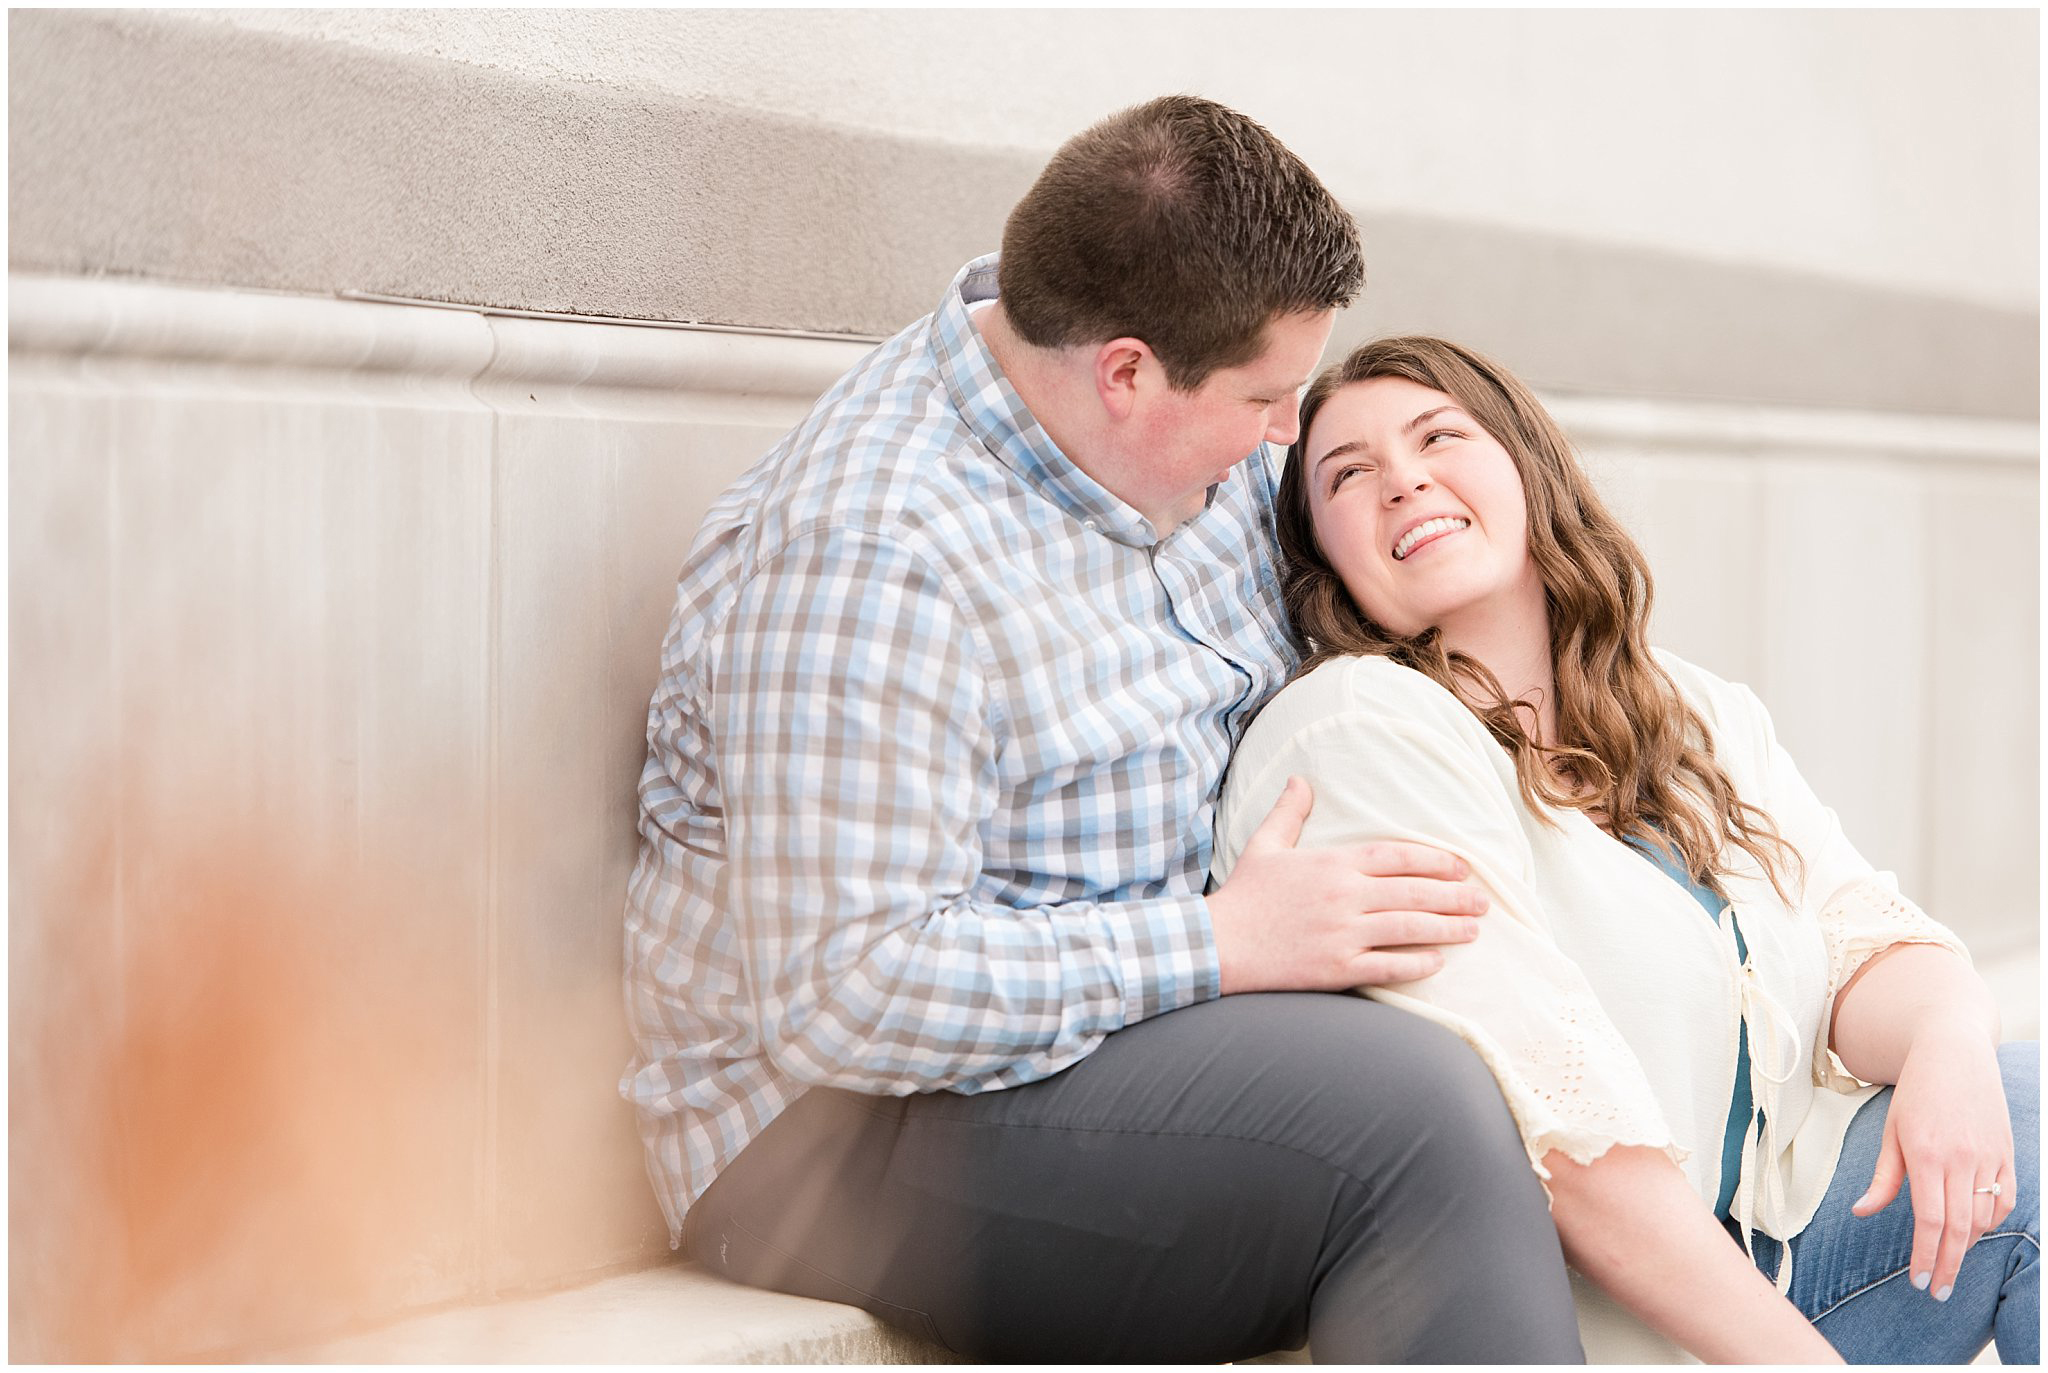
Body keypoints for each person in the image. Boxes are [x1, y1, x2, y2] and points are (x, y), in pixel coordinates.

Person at [620, 100, 1588, 1362]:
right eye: (1267, 397)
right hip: (843, 1130)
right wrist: (1218, 939)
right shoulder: (874, 552)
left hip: (1152, 1033)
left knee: (1533, 1033)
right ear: (1126, 371)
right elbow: (845, 992)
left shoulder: (1187, 426)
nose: (1286, 436)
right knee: (1410, 1119)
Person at [1213, 334, 2039, 1364]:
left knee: (2028, 1108)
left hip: (1761, 1260)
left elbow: (1852, 933)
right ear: (1320, 551)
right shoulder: (1356, 729)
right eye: (1348, 474)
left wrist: (1948, 1039)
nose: (1402, 479)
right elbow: (1559, 1135)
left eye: (1437, 435)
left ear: (1524, 461)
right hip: (1588, 1327)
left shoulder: (1683, 706)